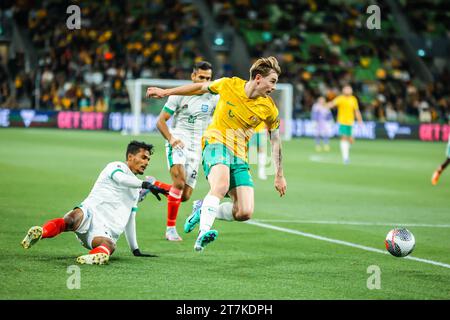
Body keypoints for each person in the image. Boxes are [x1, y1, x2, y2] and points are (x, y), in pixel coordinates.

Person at [146, 56, 287, 252]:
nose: (273, 87)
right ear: (257, 78)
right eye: (272, 81)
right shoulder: (229, 85)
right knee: (220, 186)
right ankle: (204, 232)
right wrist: (165, 91)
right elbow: (198, 89)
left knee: (244, 212)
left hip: (240, 155)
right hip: (215, 143)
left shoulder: (269, 108)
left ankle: (203, 208)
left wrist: (279, 174)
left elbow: (275, 139)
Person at [21, 141, 168, 265]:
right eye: (143, 157)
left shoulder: (136, 189)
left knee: (109, 245)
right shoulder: (116, 167)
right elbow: (122, 179)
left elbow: (130, 219)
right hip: (90, 213)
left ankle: (95, 256)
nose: (146, 162)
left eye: (148, 159)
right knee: (71, 219)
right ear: (130, 156)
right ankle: (41, 232)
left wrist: (135, 249)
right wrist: (146, 185)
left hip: (105, 230)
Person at [151, 61, 219, 241]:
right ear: (193, 76)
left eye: (208, 78)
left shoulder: (214, 97)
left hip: (198, 147)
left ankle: (153, 185)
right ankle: (170, 229)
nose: (204, 81)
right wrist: (172, 139)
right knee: (179, 183)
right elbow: (160, 121)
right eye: (201, 77)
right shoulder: (178, 94)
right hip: (179, 140)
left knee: (185, 196)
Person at [326, 85, 363, 164]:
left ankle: (346, 154)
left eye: (349, 89)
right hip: (342, 122)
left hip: (351, 122)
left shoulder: (353, 99)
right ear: (343, 91)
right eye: (346, 89)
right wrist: (324, 105)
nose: (348, 90)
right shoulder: (340, 98)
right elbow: (332, 104)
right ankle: (345, 158)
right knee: (344, 137)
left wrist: (360, 120)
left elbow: (356, 111)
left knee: (351, 140)